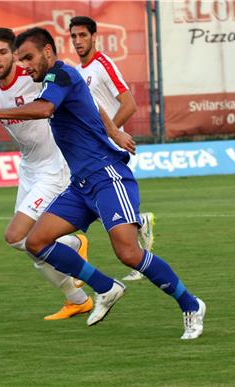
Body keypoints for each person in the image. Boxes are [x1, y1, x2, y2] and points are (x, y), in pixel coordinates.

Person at [0, 27, 206, 340]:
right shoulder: (53, 79)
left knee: (129, 254)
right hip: (79, 186)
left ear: (49, 53)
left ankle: (191, 305)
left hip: (107, 176)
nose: (25, 64)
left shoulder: (61, 75)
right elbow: (91, 106)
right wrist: (113, 131)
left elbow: (45, 109)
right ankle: (106, 287)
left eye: (28, 57)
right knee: (36, 243)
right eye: (20, 58)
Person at [0, 28, 92, 320]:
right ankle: (78, 299)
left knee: (17, 235)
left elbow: (55, 103)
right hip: (29, 168)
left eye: (2, 52)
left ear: (14, 54)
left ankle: (72, 247)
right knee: (31, 247)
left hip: (55, 164)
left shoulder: (33, 78)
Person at [69, 16, 154, 282]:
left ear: (94, 36)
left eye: (83, 35)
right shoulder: (76, 71)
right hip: (91, 150)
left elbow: (128, 104)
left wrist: (110, 132)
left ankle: (135, 240)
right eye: (74, 36)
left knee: (103, 205)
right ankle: (139, 221)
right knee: (93, 202)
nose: (78, 41)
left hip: (109, 148)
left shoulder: (103, 64)